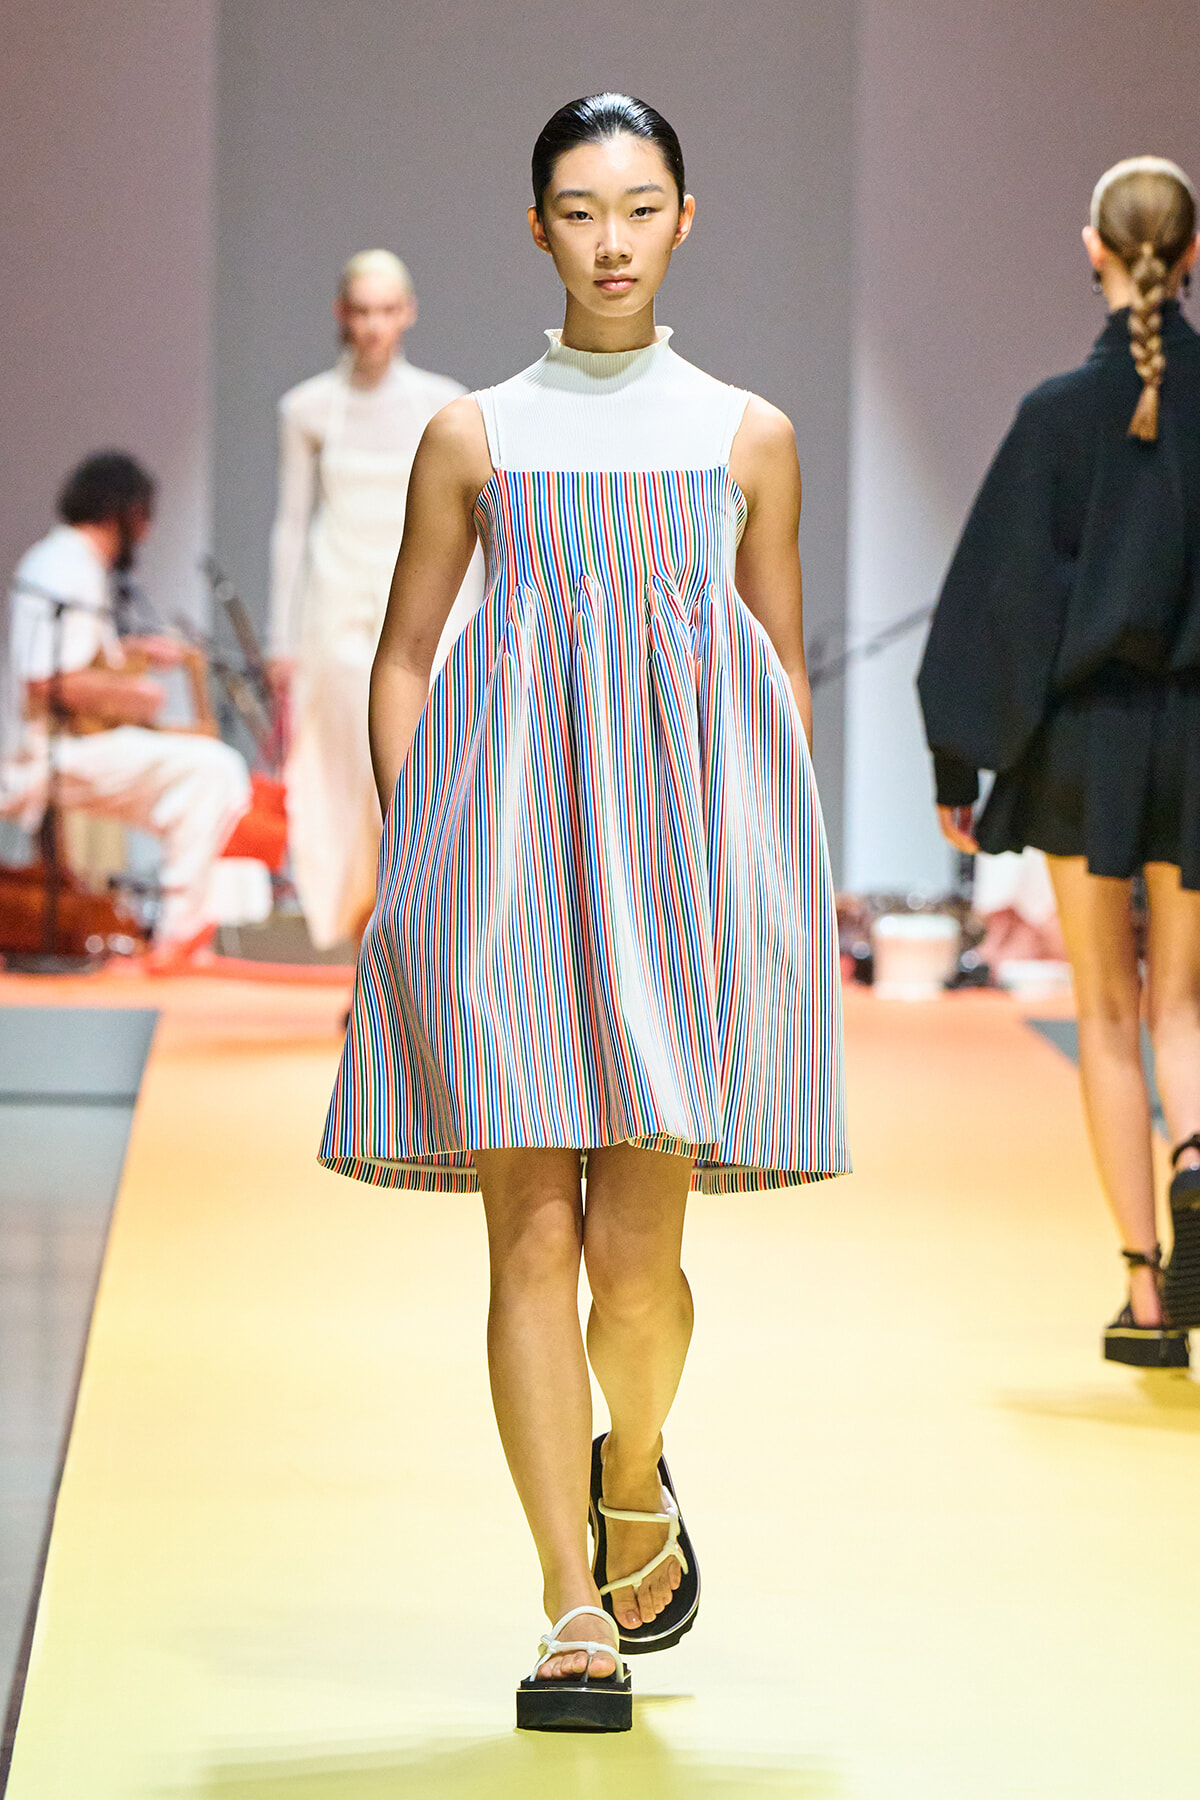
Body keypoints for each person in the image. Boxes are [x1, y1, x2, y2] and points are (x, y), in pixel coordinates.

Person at [319, 95, 848, 1729]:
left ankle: (634, 1473)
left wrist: (770, 884)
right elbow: (404, 656)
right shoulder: (476, 435)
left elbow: (776, 672)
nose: (609, 239)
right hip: (504, 878)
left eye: (637, 207)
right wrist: (424, 849)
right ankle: (570, 1604)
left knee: (637, 1261)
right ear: (536, 227)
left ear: (684, 218)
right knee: (531, 1240)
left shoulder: (747, 434)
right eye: (577, 209)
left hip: (682, 880)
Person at [918, 156, 1200, 1370]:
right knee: (1188, 1006)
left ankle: (1145, 1293)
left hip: (1091, 750)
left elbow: (997, 606)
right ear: (1189, 257)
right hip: (1199, 740)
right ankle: (1199, 1159)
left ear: (1094, 249)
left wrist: (956, 767)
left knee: (1107, 1011)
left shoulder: (1053, 418)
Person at [269, 248, 483, 950]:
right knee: (338, 767)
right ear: (341, 315)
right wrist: (280, 639)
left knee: (420, 764)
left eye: (387, 310)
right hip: (334, 605)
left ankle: (407, 932)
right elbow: (292, 526)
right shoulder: (306, 408)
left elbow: (468, 524)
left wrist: (478, 626)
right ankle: (359, 935)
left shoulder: (440, 404)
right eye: (361, 311)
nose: (373, 326)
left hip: (425, 606)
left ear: (408, 314)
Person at [0, 452, 251, 962]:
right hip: (50, 753)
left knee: (204, 776)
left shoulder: (69, 563)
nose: (149, 532)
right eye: (145, 517)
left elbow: (76, 660)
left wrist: (135, 653)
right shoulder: (66, 565)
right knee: (212, 771)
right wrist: (137, 695)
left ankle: (179, 930)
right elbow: (45, 681)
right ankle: (178, 936)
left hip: (71, 746)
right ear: (124, 512)